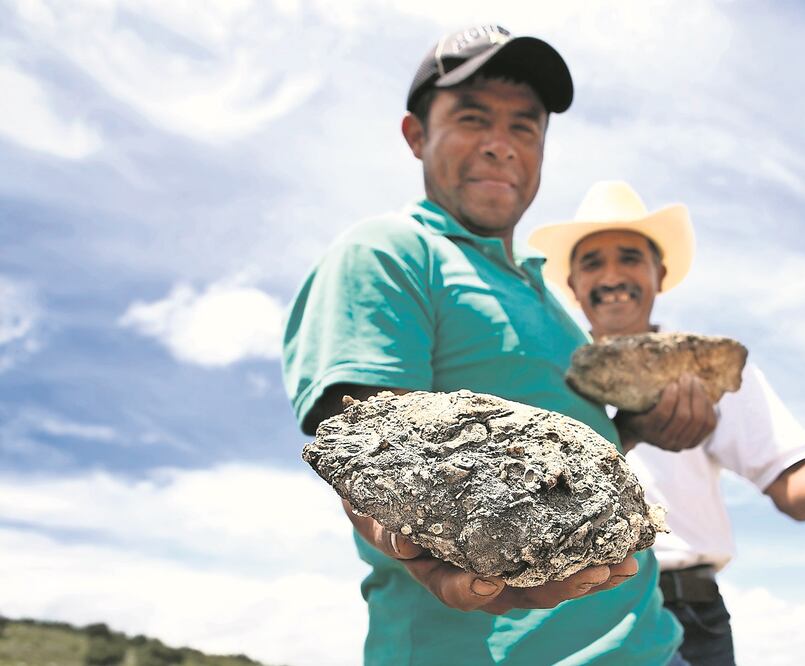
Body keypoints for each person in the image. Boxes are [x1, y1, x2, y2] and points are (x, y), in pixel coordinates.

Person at [282, 27, 714, 666]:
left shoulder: (551, 303)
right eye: (472, 118)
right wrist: (417, 551)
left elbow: (553, 474)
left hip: (653, 643)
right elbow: (363, 448)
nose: (500, 145)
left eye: (524, 127)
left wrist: (640, 429)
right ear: (416, 135)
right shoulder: (389, 251)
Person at [528, 181, 805, 666]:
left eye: (629, 257)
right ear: (574, 287)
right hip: (577, 610)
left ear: (658, 273)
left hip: (687, 612)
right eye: (592, 262)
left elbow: (795, 489)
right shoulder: (544, 377)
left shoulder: (712, 368)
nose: (612, 274)